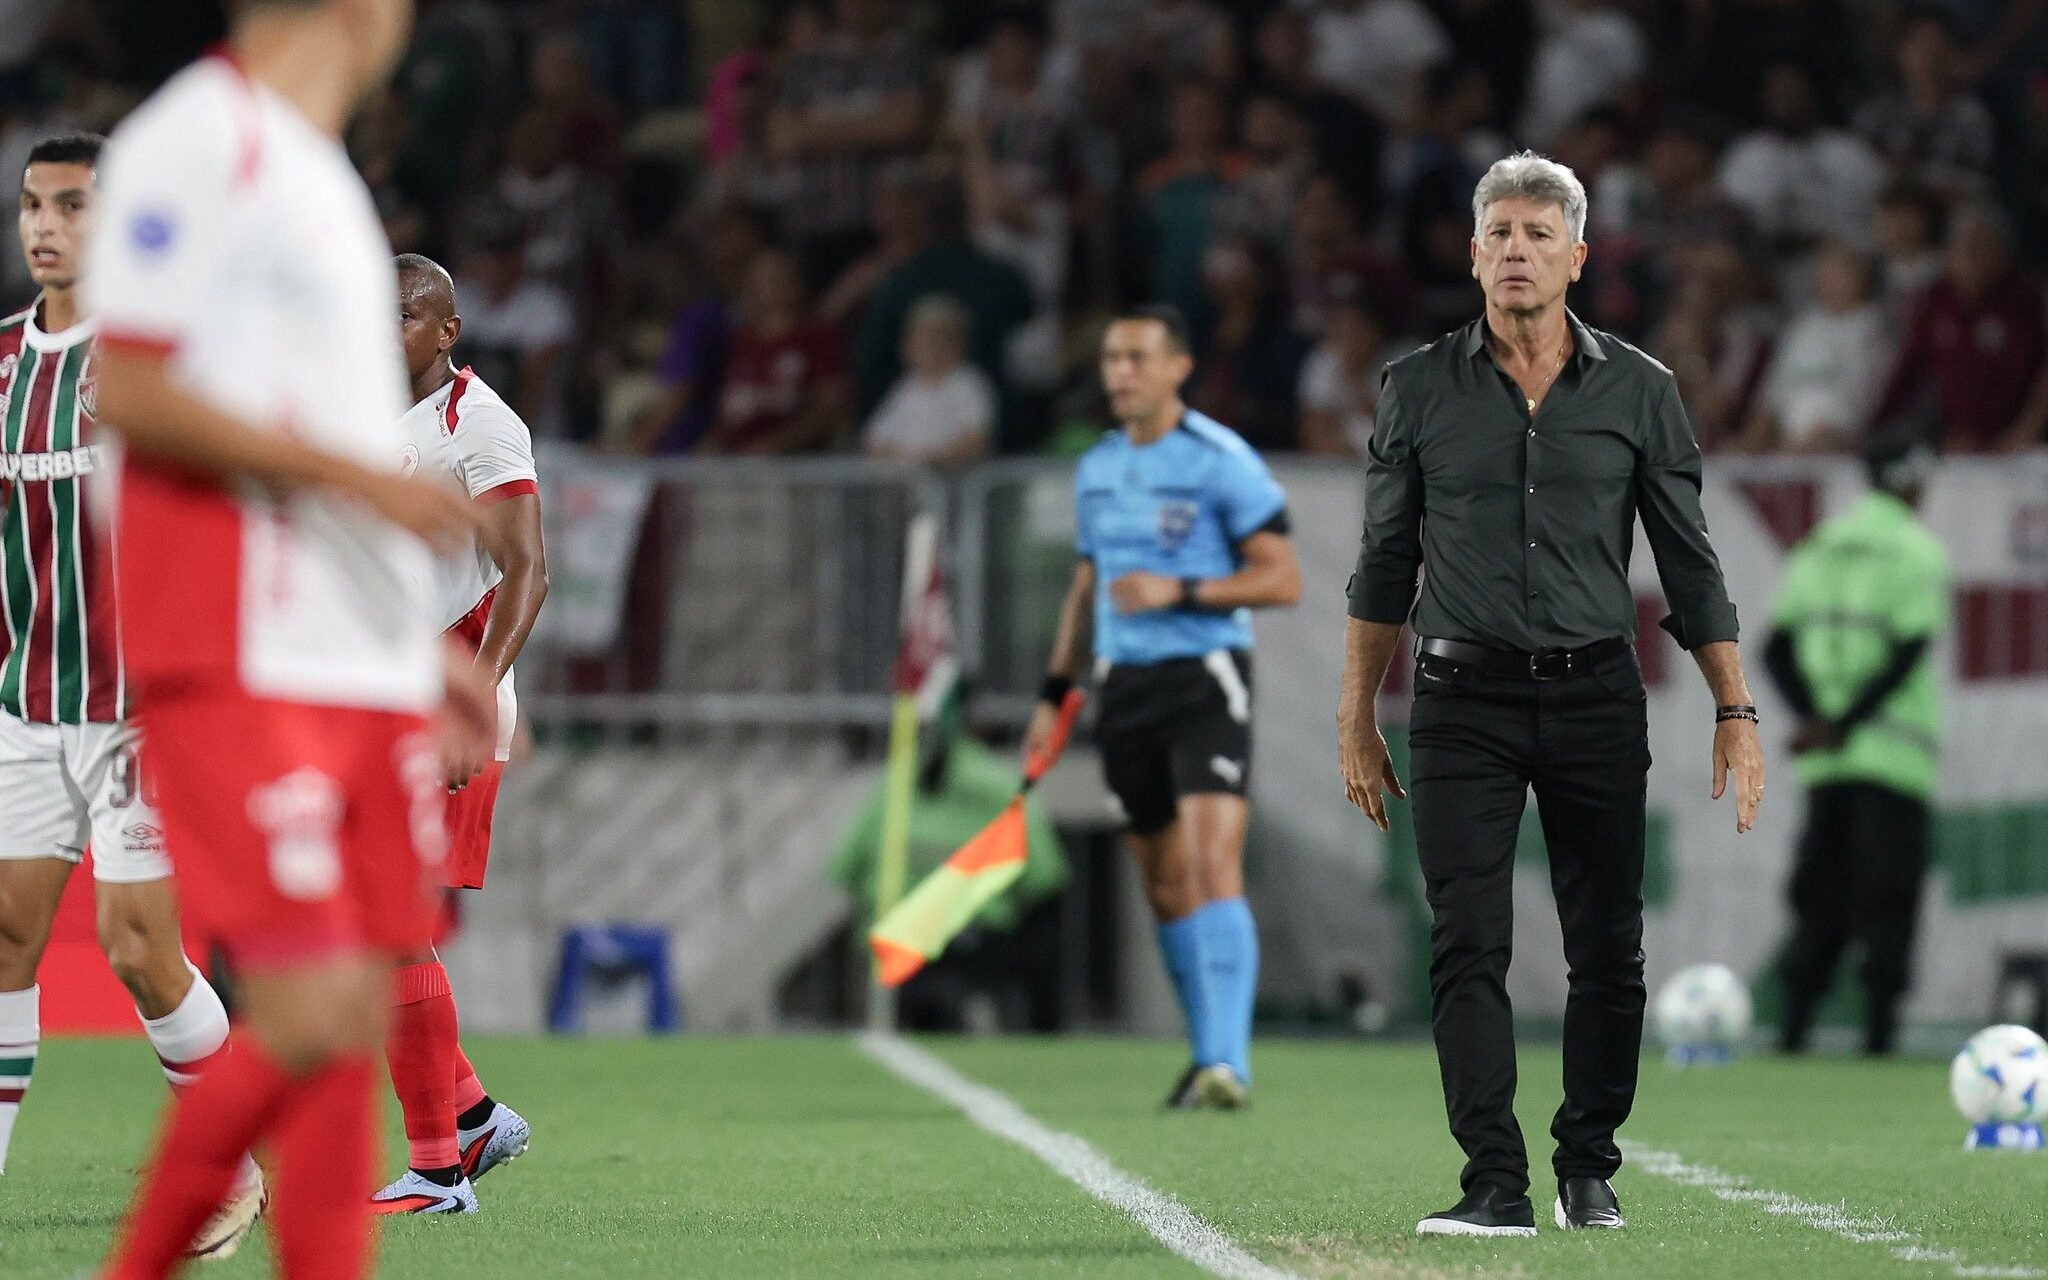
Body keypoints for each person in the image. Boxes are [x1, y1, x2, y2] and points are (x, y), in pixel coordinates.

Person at [84, 1, 494, 1275]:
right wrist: (372, 495)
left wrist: (408, 638)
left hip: (347, 652)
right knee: (313, 1008)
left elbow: (303, 426)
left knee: (347, 1019)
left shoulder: (322, 175)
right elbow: (137, 388)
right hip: (239, 644)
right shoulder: (197, 141)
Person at [1338, 153, 1764, 1237]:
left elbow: (1690, 562)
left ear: (1577, 258)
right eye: (1497, 232)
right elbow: (1382, 565)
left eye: (1537, 233)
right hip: (1458, 700)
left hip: (1591, 698)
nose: (1515, 250)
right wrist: (1352, 714)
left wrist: (1734, 708)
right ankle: (1493, 1181)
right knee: (1465, 936)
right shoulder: (1415, 387)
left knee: (1606, 944)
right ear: (1472, 254)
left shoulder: (1642, 390)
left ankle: (1587, 1166)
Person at [0, 132, 264, 1261]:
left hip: (137, 708)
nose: (44, 225)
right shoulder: (3, 360)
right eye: (31, 205)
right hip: (24, 696)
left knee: (139, 944)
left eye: (71, 204)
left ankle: (228, 1162)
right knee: (5, 932)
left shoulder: (163, 359)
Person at [1027, 305, 1301, 1110]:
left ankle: (1229, 1062)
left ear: (1178, 367)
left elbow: (1281, 578)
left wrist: (1180, 589)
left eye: (1138, 357)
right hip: (1126, 688)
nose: (1121, 372)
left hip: (1205, 676)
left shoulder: (1222, 461)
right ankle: (1205, 1052)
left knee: (1214, 864)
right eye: (1112, 358)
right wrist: (1056, 692)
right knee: (1164, 886)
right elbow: (1086, 586)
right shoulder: (1099, 467)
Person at [376, 254, 546, 1213]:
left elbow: (529, 569)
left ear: (446, 332)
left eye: (402, 315)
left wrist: (476, 705)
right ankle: (472, 1117)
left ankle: (441, 1168)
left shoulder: (479, 421)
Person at [1764, 439, 1949, 1057]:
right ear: (1911, 480)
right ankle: (1878, 1036)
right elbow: (1909, 651)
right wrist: (1846, 721)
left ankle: (1793, 1031)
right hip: (1893, 759)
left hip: (1829, 764)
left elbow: (1775, 647)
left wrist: (1815, 719)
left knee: (1819, 894)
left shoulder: (1819, 548)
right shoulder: (1917, 551)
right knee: (1888, 900)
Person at [862, 293, 996, 465]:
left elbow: (978, 437)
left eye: (941, 338)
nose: (933, 346)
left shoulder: (968, 382)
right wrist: (901, 460)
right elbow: (874, 439)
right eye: (925, 337)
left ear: (959, 342)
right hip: (906, 484)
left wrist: (929, 461)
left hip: (954, 485)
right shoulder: (907, 385)